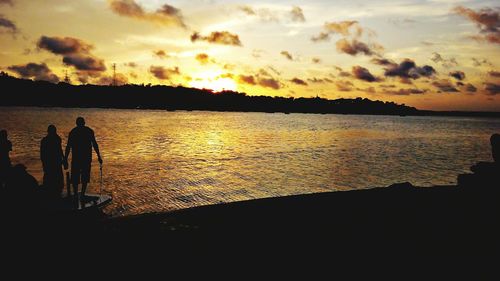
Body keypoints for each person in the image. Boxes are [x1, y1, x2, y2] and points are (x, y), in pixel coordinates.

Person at [64, 117, 102, 204]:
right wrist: (99, 156)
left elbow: (68, 146)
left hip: (79, 158)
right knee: (83, 176)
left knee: (76, 177)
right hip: (85, 158)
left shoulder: (73, 132)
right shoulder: (88, 131)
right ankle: (82, 194)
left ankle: (78, 194)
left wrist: (66, 158)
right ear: (84, 123)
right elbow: (95, 144)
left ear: (77, 123)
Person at [41, 125, 64, 199]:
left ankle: (54, 194)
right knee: (52, 178)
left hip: (54, 162)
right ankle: (52, 194)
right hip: (52, 162)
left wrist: (63, 159)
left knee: (53, 178)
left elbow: (60, 150)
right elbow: (43, 153)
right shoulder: (50, 140)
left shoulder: (54, 139)